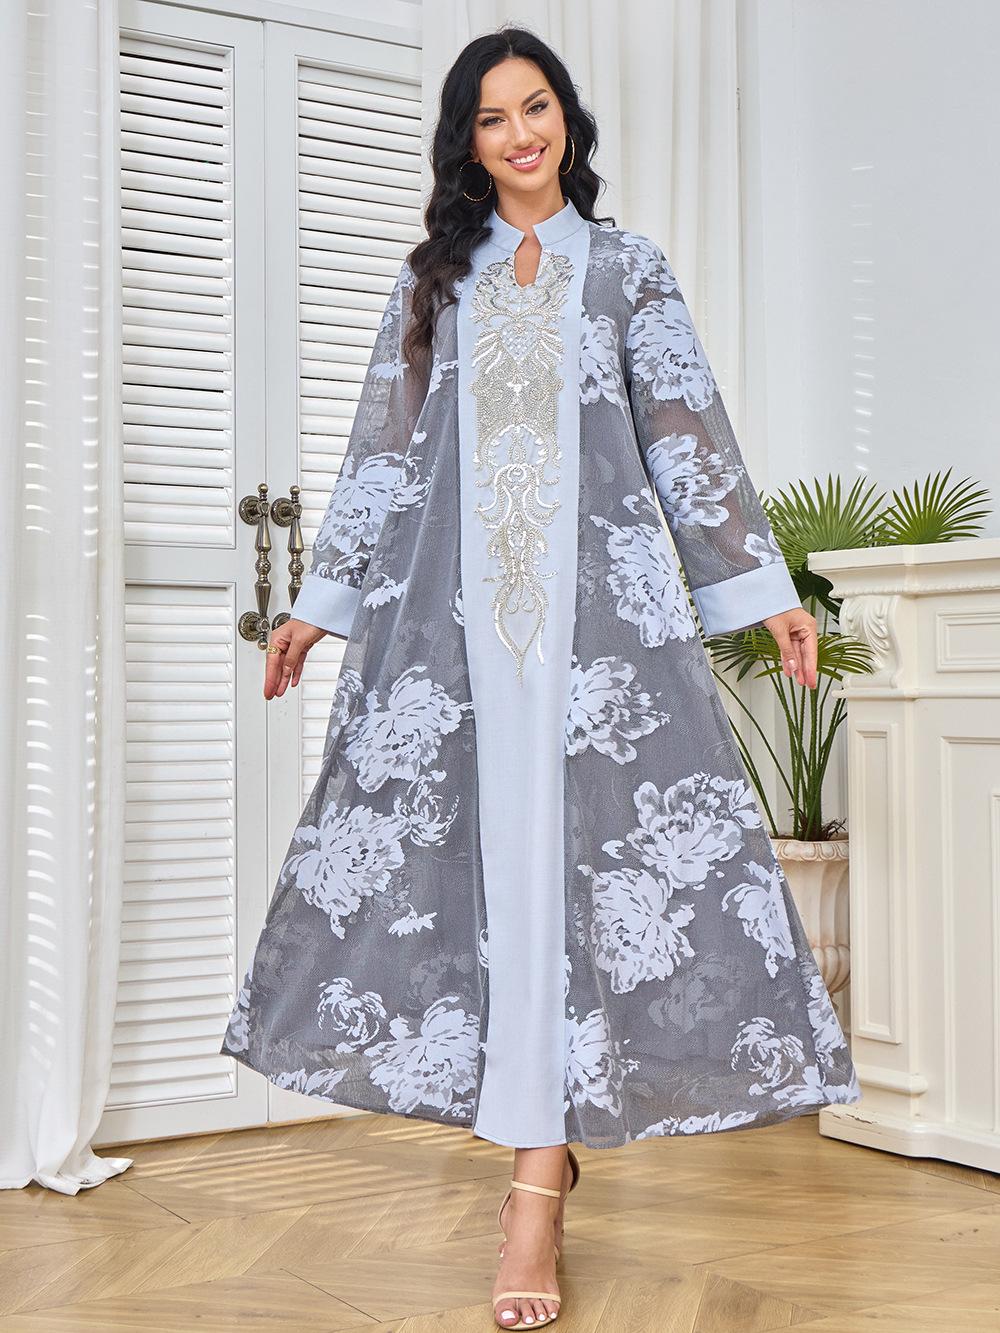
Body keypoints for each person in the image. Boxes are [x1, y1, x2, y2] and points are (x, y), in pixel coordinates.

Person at [220, 25, 861, 1330]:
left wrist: (764, 595)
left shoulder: (626, 271)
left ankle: (534, 1191)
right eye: (492, 117)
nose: (520, 133)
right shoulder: (435, 285)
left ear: (568, 118)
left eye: (537, 107)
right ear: (466, 143)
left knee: (577, 888)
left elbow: (686, 436)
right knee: (489, 891)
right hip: (454, 643)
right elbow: (384, 453)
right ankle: (539, 1157)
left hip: (600, 646)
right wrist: (320, 609)